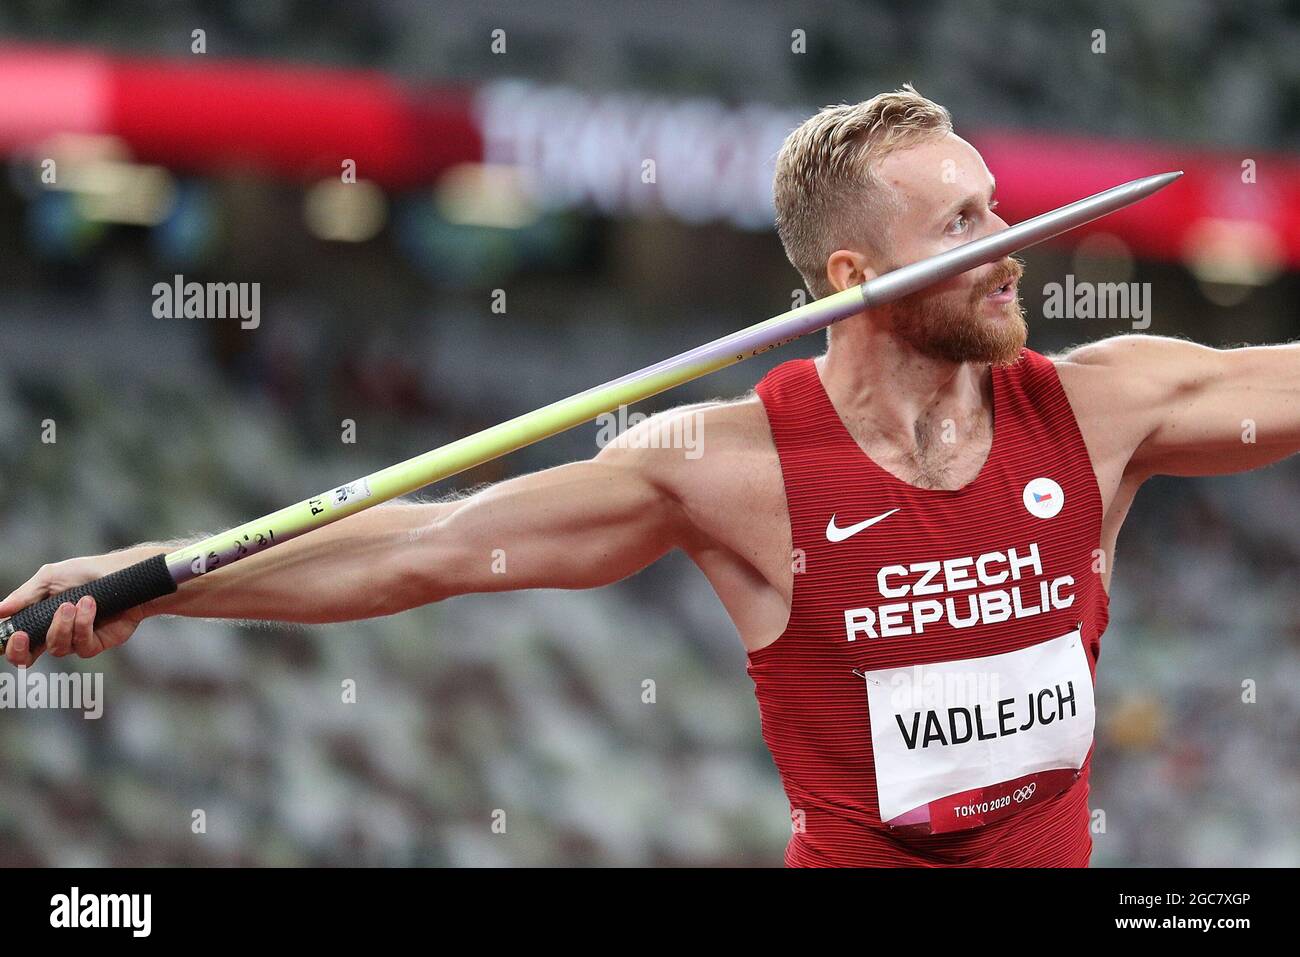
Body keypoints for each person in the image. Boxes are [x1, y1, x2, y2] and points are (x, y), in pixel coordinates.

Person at [4, 86, 1296, 866]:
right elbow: (422, 546)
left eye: (1000, 207)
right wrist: (160, 586)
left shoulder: (1106, 402)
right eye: (963, 224)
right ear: (855, 277)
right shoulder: (724, 464)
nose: (1012, 244)